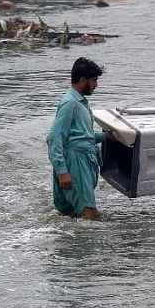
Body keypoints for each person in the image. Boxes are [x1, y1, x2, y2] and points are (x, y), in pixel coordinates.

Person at [47, 57, 104, 219]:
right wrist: (62, 172)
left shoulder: (81, 103)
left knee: (70, 215)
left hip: (79, 160)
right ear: (82, 80)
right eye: (94, 80)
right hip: (75, 163)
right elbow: (54, 138)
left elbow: (83, 136)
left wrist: (107, 137)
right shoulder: (70, 103)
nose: (96, 85)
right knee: (90, 214)